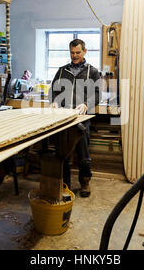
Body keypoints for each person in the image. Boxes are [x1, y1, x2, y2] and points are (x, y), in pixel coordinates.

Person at [49, 39, 101, 197]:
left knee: (83, 152)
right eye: (72, 52)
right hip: (63, 119)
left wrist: (87, 104)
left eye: (78, 52)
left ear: (85, 51)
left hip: (81, 119)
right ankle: (65, 184)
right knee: (62, 152)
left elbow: (97, 94)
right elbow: (53, 91)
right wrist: (54, 103)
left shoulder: (92, 71)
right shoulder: (62, 71)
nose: (75, 55)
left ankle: (85, 182)